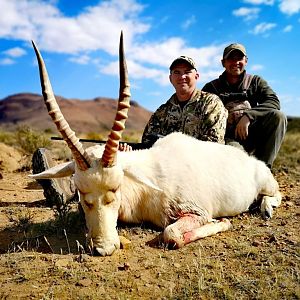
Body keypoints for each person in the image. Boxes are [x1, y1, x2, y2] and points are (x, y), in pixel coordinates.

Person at [33, 55, 228, 206]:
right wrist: (130, 153)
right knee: (118, 168)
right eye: (177, 72)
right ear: (170, 78)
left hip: (198, 172)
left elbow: (214, 148)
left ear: (197, 76)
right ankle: (70, 189)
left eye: (187, 71)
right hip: (164, 173)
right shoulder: (162, 112)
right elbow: (146, 148)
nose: (182, 76)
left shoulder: (211, 104)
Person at [202, 43, 287, 169]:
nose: (235, 62)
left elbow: (273, 102)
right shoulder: (211, 88)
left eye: (239, 58)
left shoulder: (256, 81)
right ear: (223, 62)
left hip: (252, 134)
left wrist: (248, 116)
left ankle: (264, 169)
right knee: (241, 165)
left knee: (278, 117)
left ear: (246, 61)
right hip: (227, 139)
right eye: (231, 58)